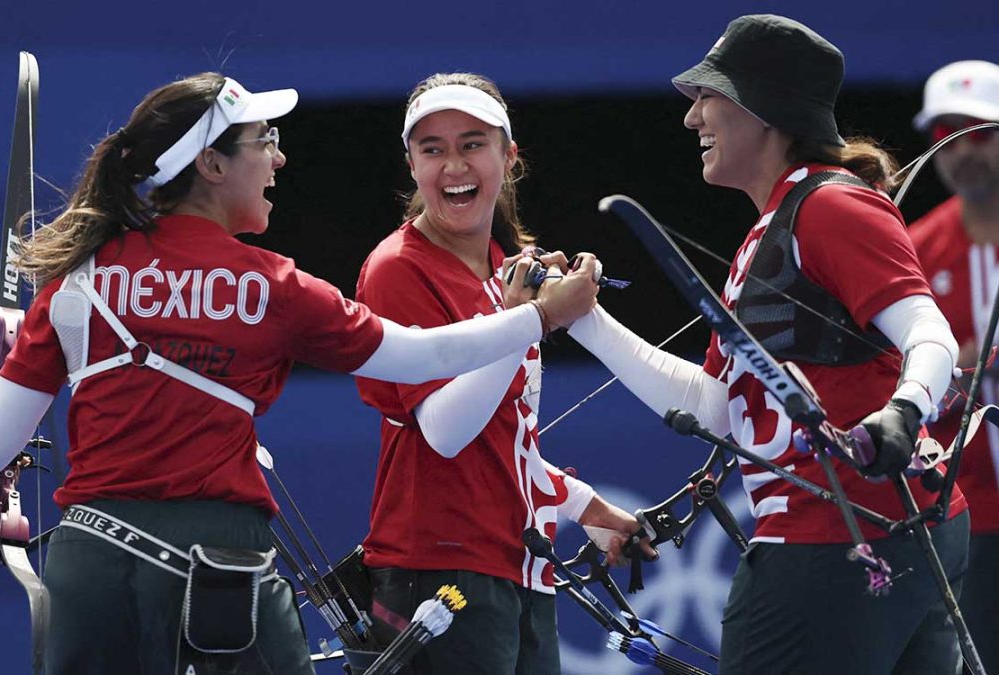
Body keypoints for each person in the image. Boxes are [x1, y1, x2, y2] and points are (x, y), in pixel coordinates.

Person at [0, 72, 600, 675]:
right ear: (211, 164)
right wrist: (539, 318)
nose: (279, 158)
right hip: (225, 569)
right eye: (266, 141)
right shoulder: (271, 287)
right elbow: (422, 356)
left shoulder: (79, 281)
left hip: (92, 566)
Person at [563, 16, 971, 674]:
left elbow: (929, 332)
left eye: (709, 96)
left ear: (766, 110)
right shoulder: (770, 231)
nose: (692, 117)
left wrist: (904, 411)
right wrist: (585, 321)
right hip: (879, 536)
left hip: (834, 545)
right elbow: (717, 408)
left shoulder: (830, 207)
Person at [353, 72, 647, 675]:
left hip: (514, 566)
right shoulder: (396, 270)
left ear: (508, 157)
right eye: (431, 149)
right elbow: (444, 431)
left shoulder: (500, 268)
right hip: (436, 572)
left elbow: (504, 442)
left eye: (472, 143)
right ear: (411, 164)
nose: (453, 164)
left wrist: (588, 508)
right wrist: (532, 320)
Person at [907, 59, 999, 675]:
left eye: (977, 131)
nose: (960, 150)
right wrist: (963, 362)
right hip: (974, 509)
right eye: (944, 134)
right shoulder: (912, 248)